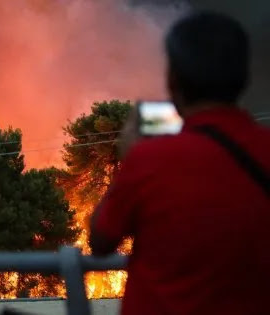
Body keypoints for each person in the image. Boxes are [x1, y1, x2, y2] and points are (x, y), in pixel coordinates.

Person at [89, 11, 270, 315]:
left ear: (173, 81)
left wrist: (129, 156)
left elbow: (101, 240)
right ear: (245, 78)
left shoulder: (150, 161)